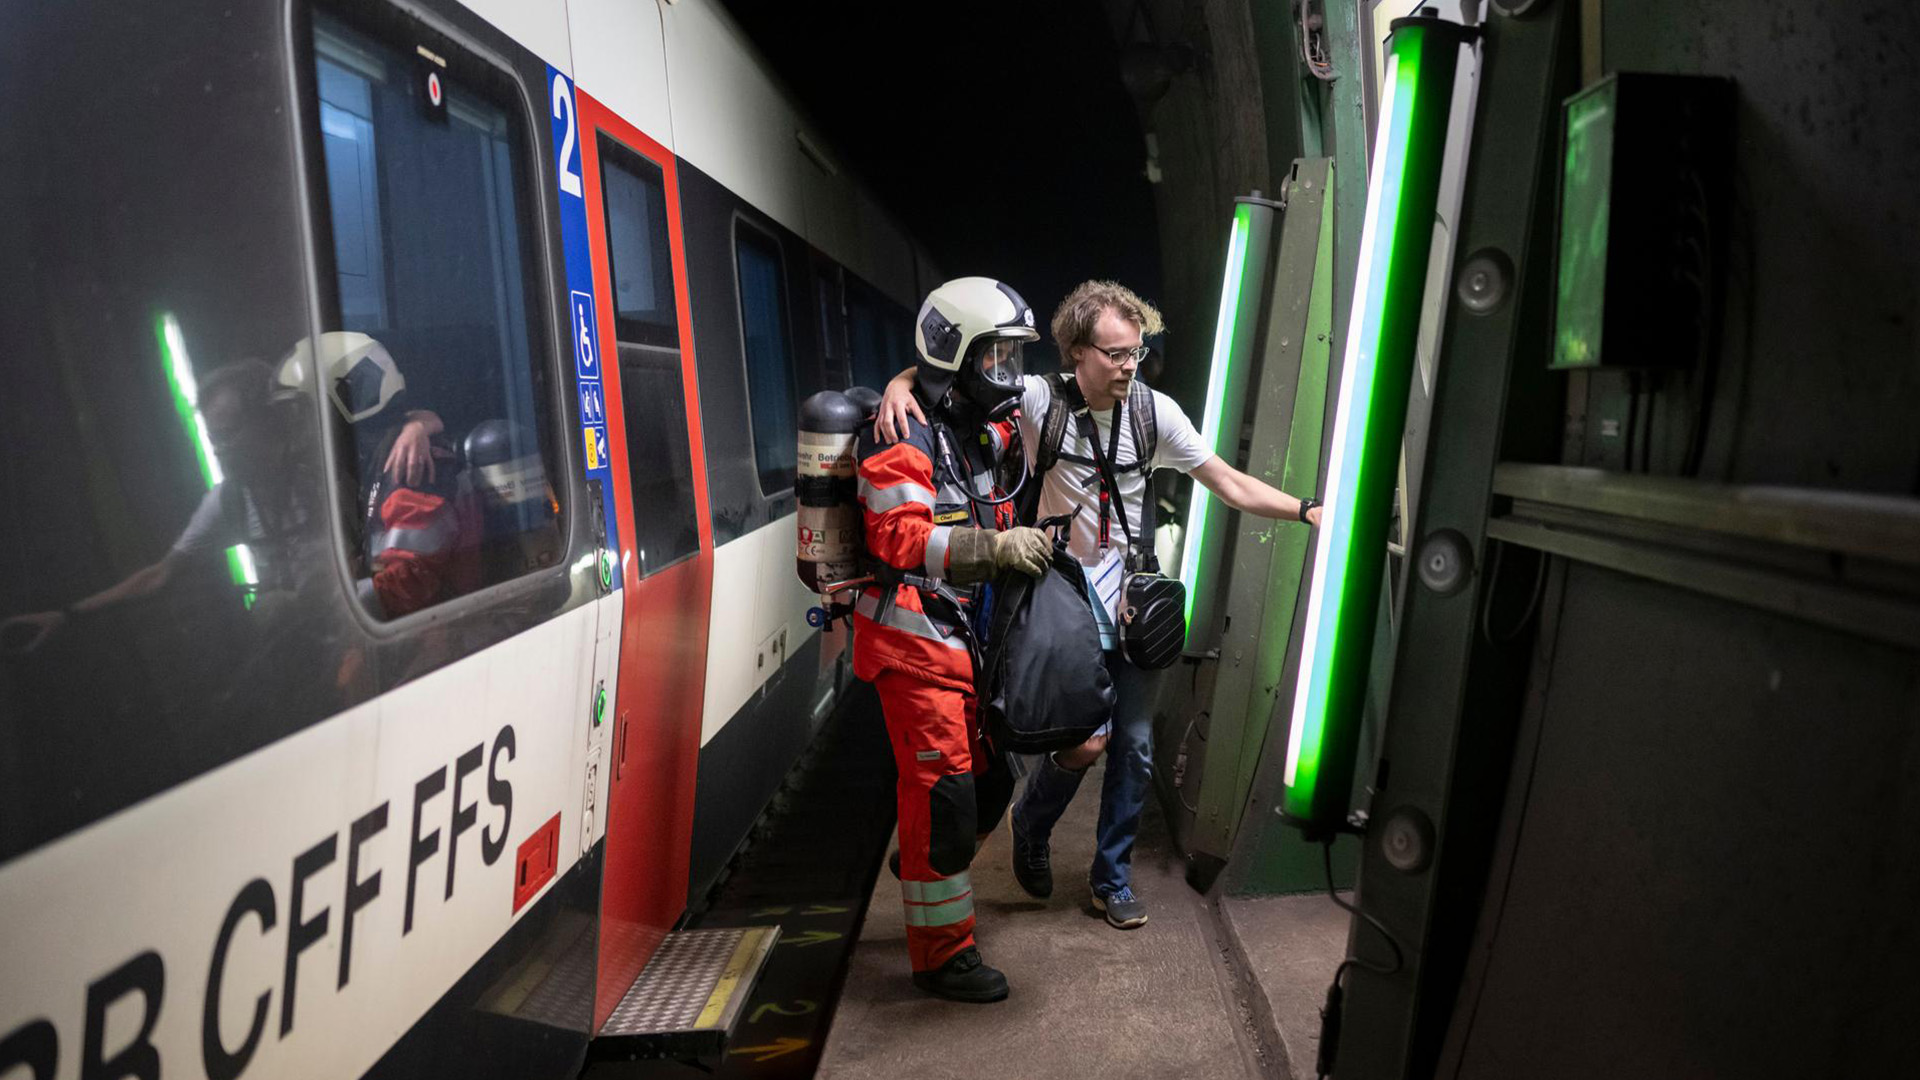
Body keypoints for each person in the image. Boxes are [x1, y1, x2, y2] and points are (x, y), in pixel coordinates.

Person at [877, 279, 1322, 930]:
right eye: (1114, 354)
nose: (1127, 366)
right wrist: (902, 382)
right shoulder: (1037, 402)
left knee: (1135, 746)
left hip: (1133, 602)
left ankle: (1110, 880)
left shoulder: (1153, 413)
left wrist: (1306, 508)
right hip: (1062, 600)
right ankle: (1031, 826)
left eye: (1135, 353)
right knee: (1082, 743)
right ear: (1076, 352)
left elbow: (1225, 481)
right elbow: (958, 370)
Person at [854, 277, 1053, 1002]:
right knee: (944, 797)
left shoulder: (975, 424)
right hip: (913, 645)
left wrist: (910, 374)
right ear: (958, 355)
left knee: (989, 779)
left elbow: (1022, 417)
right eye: (997, 359)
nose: (1012, 375)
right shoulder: (899, 436)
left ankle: (927, 863)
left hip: (960, 641)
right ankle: (943, 957)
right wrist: (995, 551)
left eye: (1014, 359)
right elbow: (902, 539)